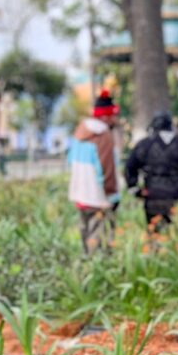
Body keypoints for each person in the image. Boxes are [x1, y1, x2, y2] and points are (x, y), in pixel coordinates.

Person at [125, 111, 178, 232]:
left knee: (155, 233)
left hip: (153, 195)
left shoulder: (145, 144)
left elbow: (130, 166)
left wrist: (135, 189)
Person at [67, 90, 121, 253]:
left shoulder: (79, 133)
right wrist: (111, 194)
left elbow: (69, 161)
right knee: (100, 239)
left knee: (86, 234)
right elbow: (107, 168)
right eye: (113, 115)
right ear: (105, 117)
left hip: (80, 194)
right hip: (99, 197)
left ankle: (86, 262)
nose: (115, 119)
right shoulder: (103, 136)